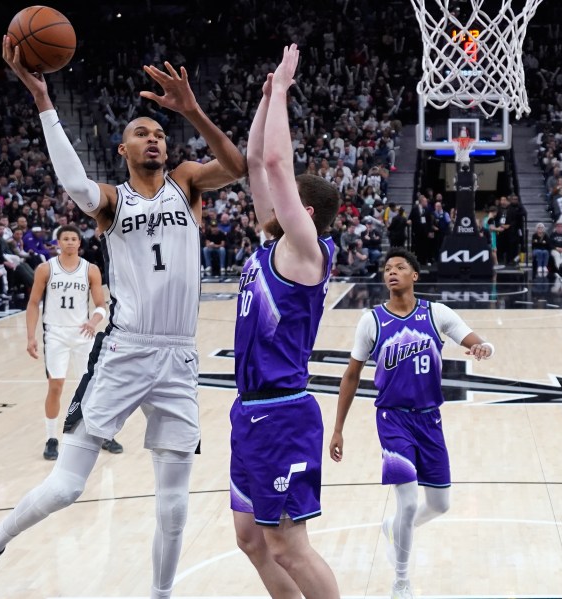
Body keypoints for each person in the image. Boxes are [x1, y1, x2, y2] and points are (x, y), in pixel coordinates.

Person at [0, 36, 246, 599]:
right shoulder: (111, 201)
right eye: (142, 133)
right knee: (65, 488)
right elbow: (75, 184)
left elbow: (238, 166)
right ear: (123, 149)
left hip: (179, 356)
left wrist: (192, 111)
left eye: (159, 134)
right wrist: (43, 99)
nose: (153, 139)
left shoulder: (187, 183)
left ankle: (160, 595)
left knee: (174, 505)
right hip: (126, 348)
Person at [231, 45, 341, 599]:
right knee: (251, 539)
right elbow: (255, 163)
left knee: (288, 547)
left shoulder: (305, 250)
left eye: (288, 197)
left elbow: (276, 163)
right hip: (249, 410)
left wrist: (283, 92)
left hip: (283, 413)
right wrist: (264, 99)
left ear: (307, 212)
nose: (274, 196)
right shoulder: (270, 242)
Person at [329, 248, 494, 599]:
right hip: (392, 419)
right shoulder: (372, 320)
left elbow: (473, 338)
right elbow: (351, 376)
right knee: (406, 502)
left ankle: (395, 528)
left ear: (414, 275)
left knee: (439, 504)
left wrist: (485, 347)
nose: (392, 272)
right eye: (387, 268)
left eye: (400, 267)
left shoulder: (436, 313)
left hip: (430, 419)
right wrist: (338, 428)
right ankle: (401, 581)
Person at [25, 224, 108, 460]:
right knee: (56, 386)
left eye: (74, 238)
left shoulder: (90, 269)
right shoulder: (45, 269)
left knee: (90, 387)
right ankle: (51, 438)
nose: (70, 242)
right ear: (58, 243)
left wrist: (93, 321)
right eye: (66, 238)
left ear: (79, 243)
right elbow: (33, 303)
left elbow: (101, 305)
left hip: (83, 334)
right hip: (55, 334)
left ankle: (100, 434)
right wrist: (30, 337)